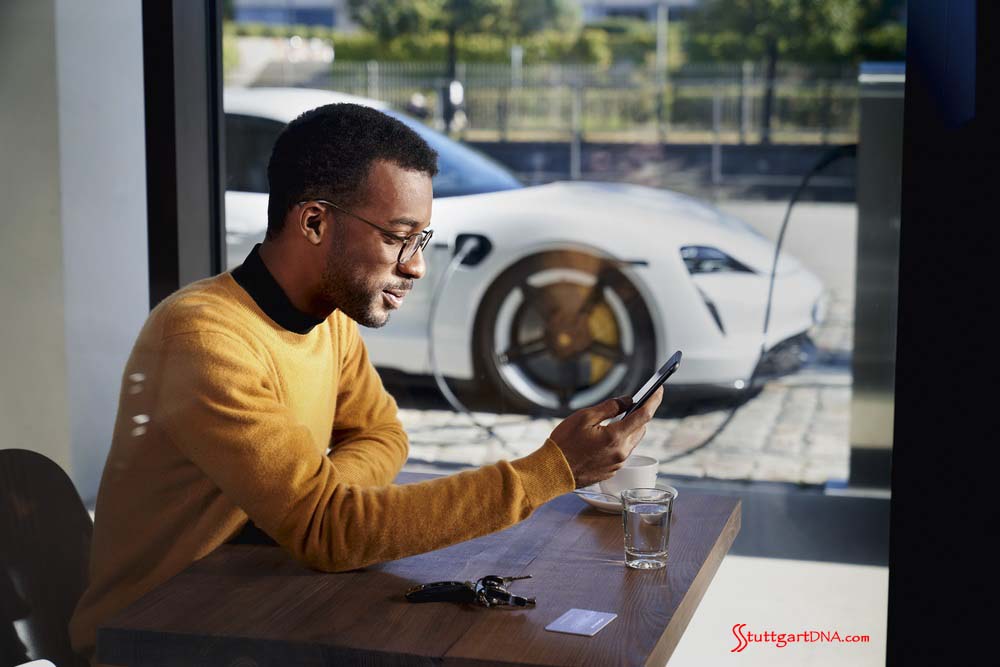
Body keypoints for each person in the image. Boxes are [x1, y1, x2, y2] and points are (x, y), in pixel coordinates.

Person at [69, 103, 662, 664]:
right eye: (398, 236)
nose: (416, 265)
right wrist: (549, 470)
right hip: (154, 641)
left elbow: (382, 438)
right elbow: (331, 531)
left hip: (257, 611)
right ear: (313, 221)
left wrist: (309, 505)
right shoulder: (204, 337)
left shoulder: (328, 319)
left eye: (420, 240)